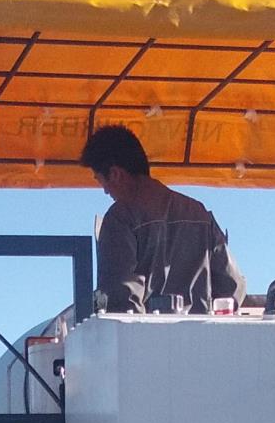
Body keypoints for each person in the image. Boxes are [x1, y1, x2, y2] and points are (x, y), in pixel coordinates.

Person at [80, 125, 244, 315]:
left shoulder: (120, 217)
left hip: (146, 340)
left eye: (101, 181)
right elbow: (231, 287)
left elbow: (119, 300)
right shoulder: (199, 214)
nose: (105, 191)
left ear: (116, 173)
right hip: (201, 339)